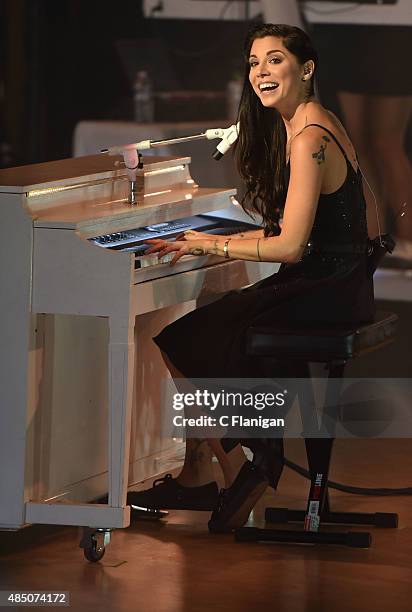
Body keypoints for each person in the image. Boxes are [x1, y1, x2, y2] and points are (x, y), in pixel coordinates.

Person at [128, 23, 375, 532]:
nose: (261, 71)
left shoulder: (308, 137)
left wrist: (206, 242)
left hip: (322, 291)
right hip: (341, 283)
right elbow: (360, 217)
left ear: (305, 69)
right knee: (211, 328)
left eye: (275, 60)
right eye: (254, 62)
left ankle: (247, 464)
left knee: (182, 339)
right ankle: (206, 471)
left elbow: (288, 247)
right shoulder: (318, 122)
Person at [300, 0, 412, 261]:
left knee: (386, 142)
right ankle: (373, 243)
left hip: (392, 24)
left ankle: (405, 241)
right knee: (357, 142)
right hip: (345, 26)